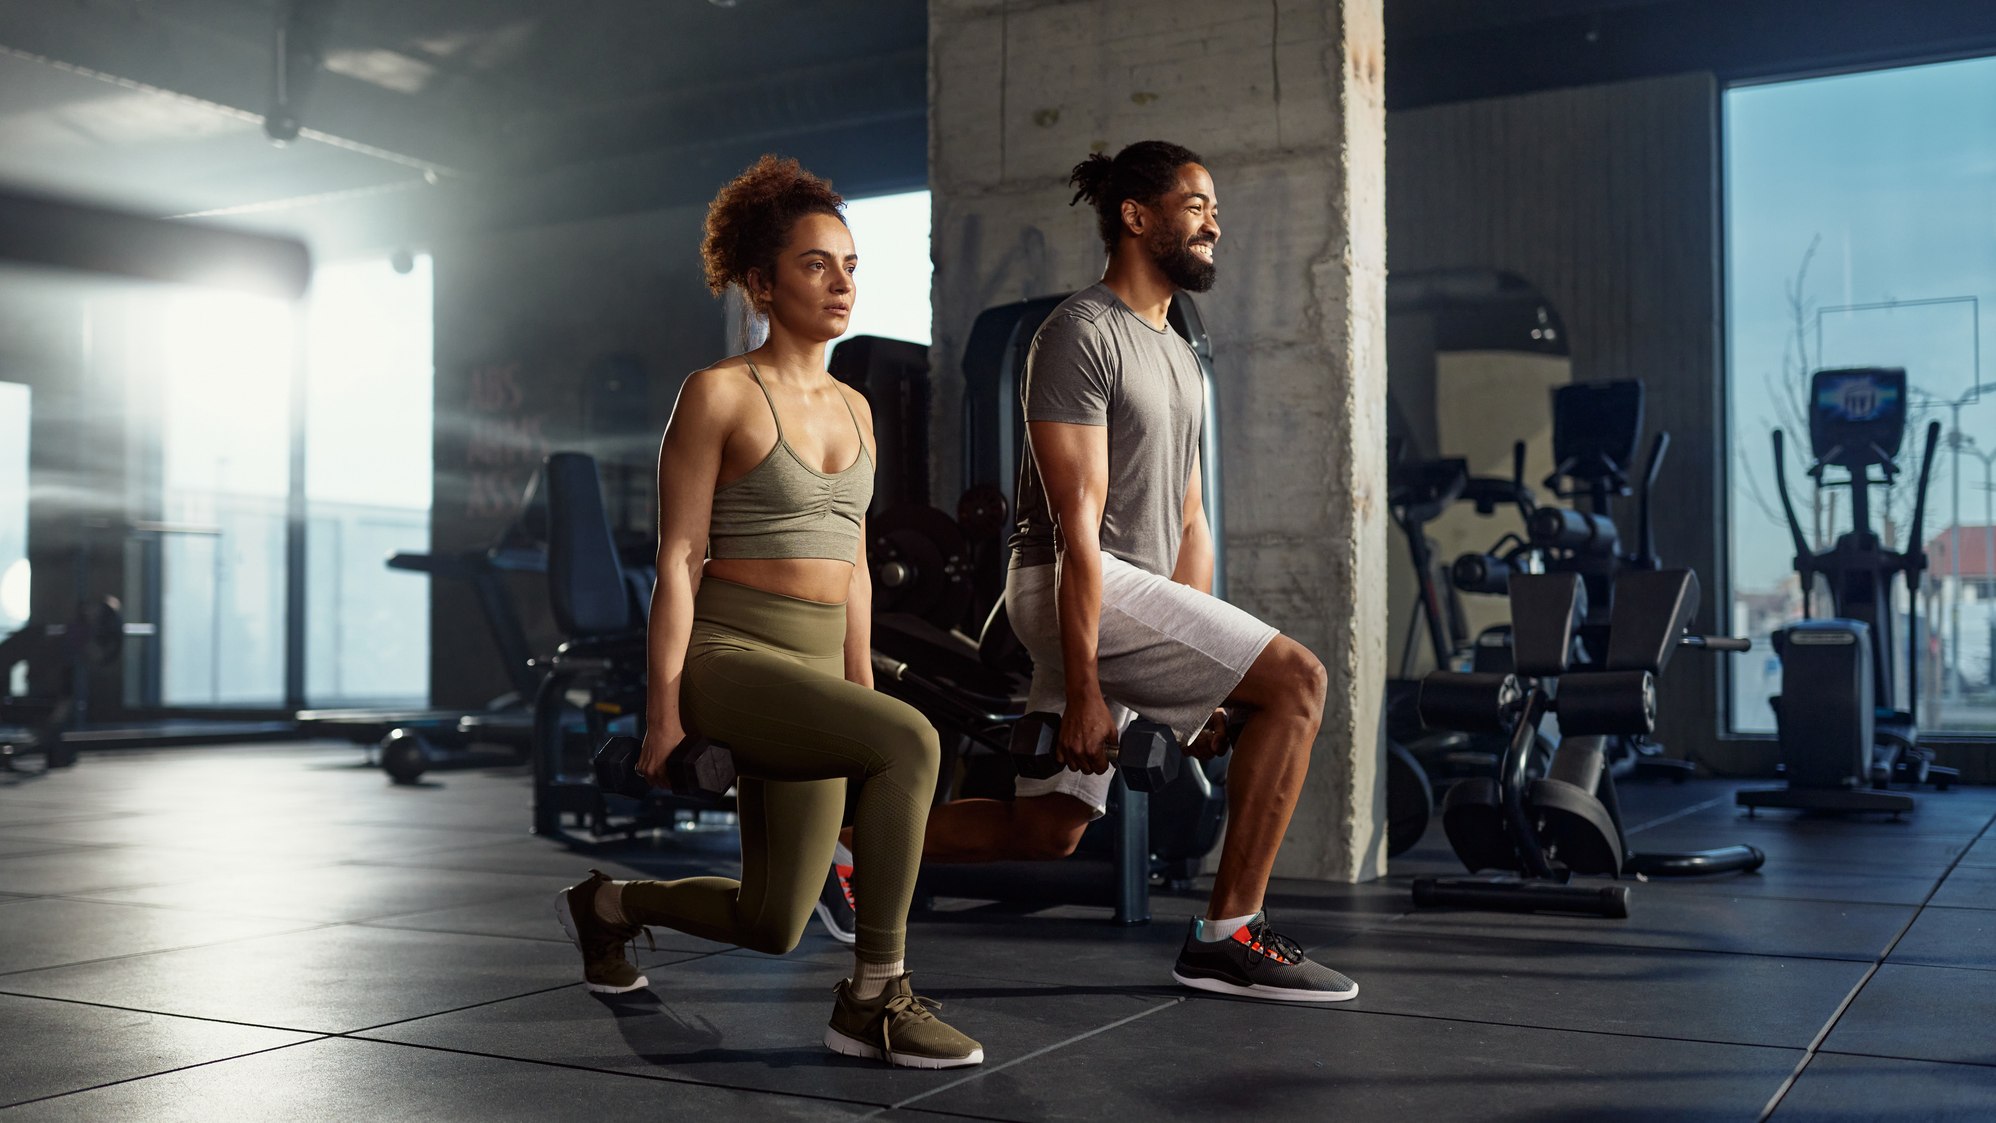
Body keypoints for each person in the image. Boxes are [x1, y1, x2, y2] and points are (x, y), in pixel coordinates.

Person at [822, 140, 1358, 1003]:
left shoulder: (1179, 350)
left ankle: (846, 845)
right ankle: (1228, 935)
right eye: (1195, 203)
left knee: (1048, 828)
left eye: (1215, 205)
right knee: (1299, 683)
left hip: (1130, 602)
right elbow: (1077, 525)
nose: (1214, 220)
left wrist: (1207, 678)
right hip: (1075, 587)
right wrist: (1082, 688)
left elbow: (1191, 520)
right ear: (1136, 216)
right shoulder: (1081, 331)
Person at [554, 155, 984, 1068]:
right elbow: (677, 558)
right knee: (917, 740)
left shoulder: (861, 409)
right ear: (760, 280)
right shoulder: (718, 393)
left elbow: (858, 565)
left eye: (852, 264)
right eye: (816, 264)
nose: (841, 283)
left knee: (773, 919)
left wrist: (860, 696)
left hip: (820, 667)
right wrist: (663, 716)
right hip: (730, 655)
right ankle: (874, 997)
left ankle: (607, 905)